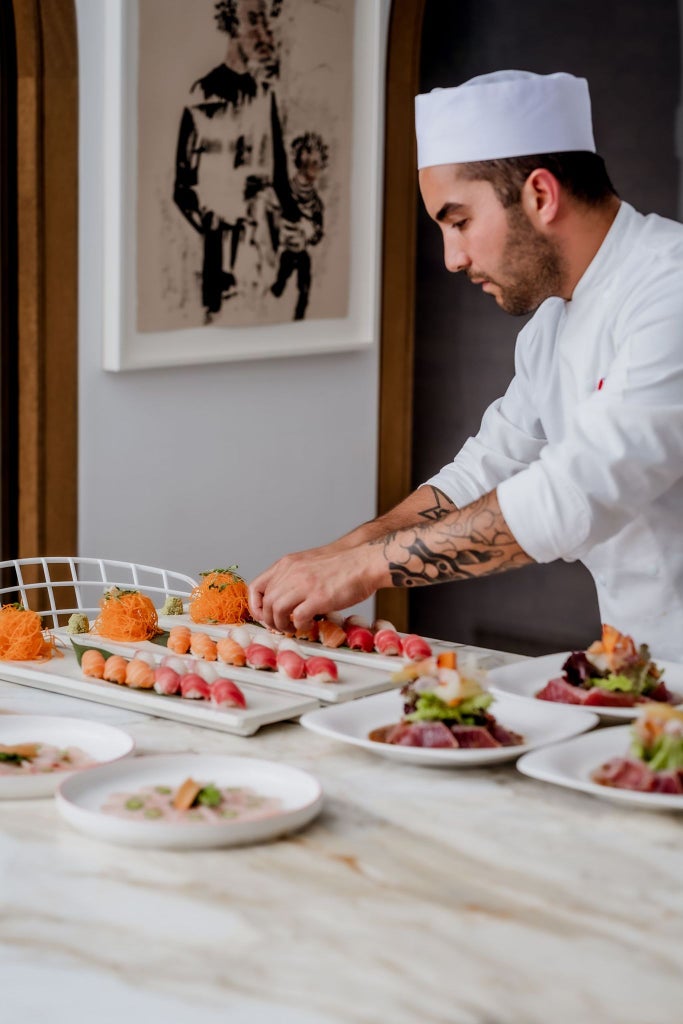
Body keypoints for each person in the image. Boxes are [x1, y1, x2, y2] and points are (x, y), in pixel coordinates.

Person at [249, 70, 683, 662]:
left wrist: (366, 570)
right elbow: (480, 473)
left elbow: (576, 494)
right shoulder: (551, 327)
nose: (453, 258)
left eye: (459, 222)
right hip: (648, 675)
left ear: (540, 195)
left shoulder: (670, 290)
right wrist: (339, 554)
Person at [173, 0, 283, 319]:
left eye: (264, 21)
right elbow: (182, 187)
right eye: (253, 20)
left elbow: (278, 178)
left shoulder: (265, 97)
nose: (262, 33)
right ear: (232, 24)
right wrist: (210, 226)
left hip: (259, 254)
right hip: (217, 250)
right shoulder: (202, 95)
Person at [270, 132, 328, 320]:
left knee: (304, 285)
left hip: (301, 250)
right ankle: (276, 290)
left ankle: (299, 317)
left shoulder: (316, 203)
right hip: (286, 249)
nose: (317, 166)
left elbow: (318, 231)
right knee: (281, 280)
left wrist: (311, 232)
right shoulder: (283, 192)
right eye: (313, 161)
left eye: (319, 162)